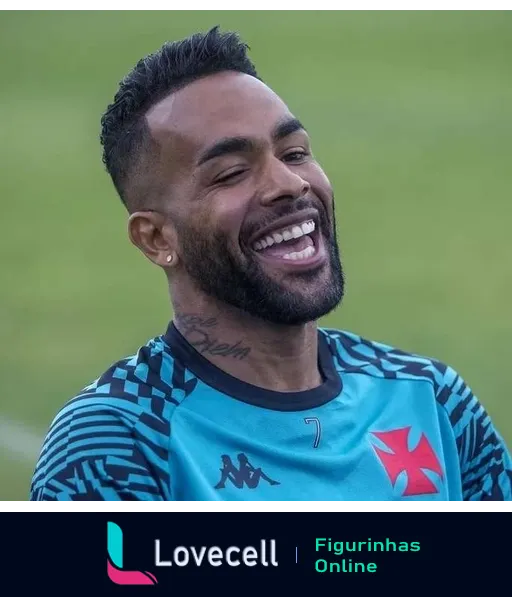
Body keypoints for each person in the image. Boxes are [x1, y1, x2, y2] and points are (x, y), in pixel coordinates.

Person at [30, 26, 511, 503]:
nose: (289, 184)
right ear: (156, 238)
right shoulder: (117, 443)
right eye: (232, 173)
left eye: (295, 152)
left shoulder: (431, 401)